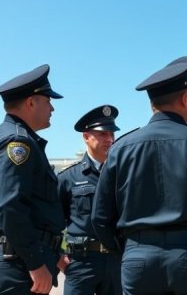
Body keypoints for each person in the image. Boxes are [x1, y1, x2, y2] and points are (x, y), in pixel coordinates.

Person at [91, 56, 187, 295]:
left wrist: (129, 251)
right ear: (185, 99)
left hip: (138, 259)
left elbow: (100, 216)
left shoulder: (120, 149)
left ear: (152, 105)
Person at [0, 64, 66, 294]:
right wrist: (35, 263)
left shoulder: (17, 138)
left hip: (19, 258)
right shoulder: (18, 144)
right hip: (19, 262)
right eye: (48, 101)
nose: (52, 108)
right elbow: (12, 207)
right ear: (30, 102)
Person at [57, 105, 122, 295]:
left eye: (112, 133)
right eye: (102, 134)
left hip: (117, 262)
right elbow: (50, 223)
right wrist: (58, 257)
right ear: (86, 137)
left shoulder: (123, 175)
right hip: (80, 263)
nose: (109, 139)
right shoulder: (67, 178)